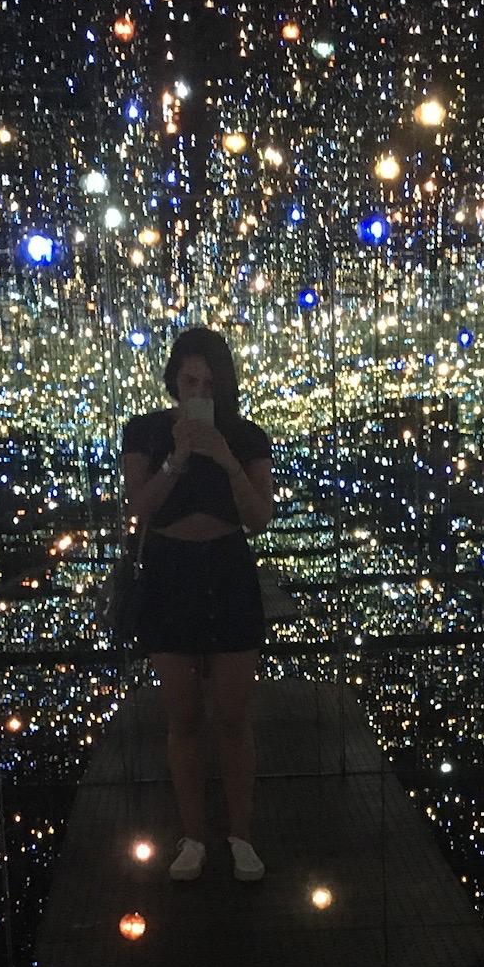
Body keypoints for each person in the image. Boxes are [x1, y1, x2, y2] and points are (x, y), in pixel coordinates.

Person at [120, 326, 275, 883]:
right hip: (169, 572)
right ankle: (193, 837)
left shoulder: (245, 436)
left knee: (232, 716)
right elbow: (139, 509)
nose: (198, 393)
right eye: (189, 382)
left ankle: (240, 837)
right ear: (173, 381)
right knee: (182, 716)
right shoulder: (144, 432)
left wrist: (227, 460)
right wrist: (178, 458)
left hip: (228, 570)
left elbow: (260, 518)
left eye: (209, 384)